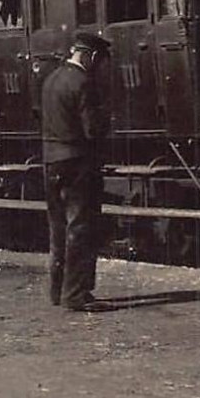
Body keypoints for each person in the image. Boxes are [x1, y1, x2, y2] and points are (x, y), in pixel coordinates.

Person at [40, 31, 113, 311]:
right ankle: (76, 294)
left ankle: (58, 292)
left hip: (51, 161)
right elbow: (92, 130)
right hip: (79, 163)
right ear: (91, 56)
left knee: (57, 228)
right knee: (81, 228)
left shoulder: (51, 80)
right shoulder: (84, 82)